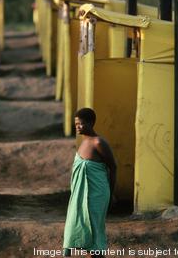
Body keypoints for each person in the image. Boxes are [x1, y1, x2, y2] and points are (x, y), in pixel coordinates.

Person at [63, 108, 117, 258]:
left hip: (97, 195)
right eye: (76, 124)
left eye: (81, 124)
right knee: (76, 228)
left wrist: (111, 194)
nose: (78, 127)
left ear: (91, 123)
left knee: (93, 233)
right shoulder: (83, 143)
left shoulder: (98, 142)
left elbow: (113, 167)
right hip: (80, 195)